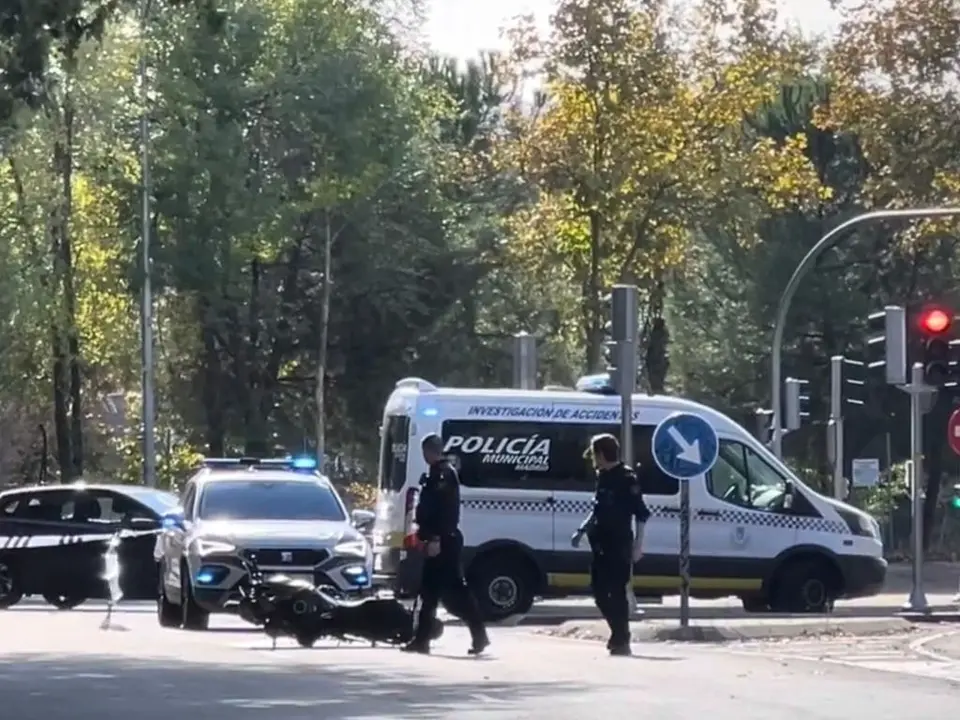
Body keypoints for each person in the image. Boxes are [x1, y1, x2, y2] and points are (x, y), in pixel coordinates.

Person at [402, 433, 490, 655]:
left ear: (431, 452)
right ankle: (421, 640)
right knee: (429, 593)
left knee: (453, 594)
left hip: (443, 542)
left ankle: (478, 635)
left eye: (426, 452)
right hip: (438, 540)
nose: (425, 456)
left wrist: (435, 539)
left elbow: (446, 511)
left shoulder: (444, 475)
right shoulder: (436, 474)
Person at [571, 433, 650, 656]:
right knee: (598, 592)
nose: (593, 460)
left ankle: (621, 638)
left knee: (616, 592)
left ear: (602, 454)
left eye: (594, 454)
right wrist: (581, 530)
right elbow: (597, 509)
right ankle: (617, 633)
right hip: (600, 544)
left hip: (619, 544)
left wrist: (638, 546)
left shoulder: (627, 478)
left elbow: (642, 514)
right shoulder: (602, 476)